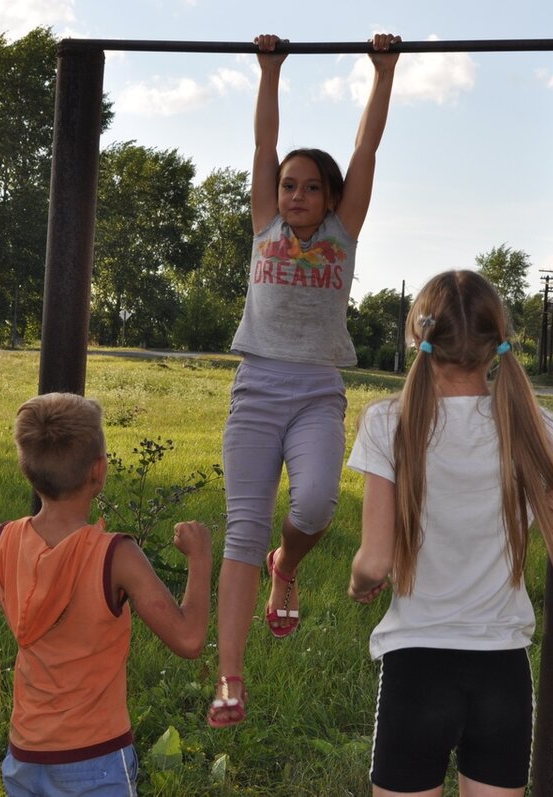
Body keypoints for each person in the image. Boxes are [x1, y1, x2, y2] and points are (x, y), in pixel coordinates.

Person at [346, 270, 553, 796]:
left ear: (418, 338)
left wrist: (360, 584)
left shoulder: (386, 423)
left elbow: (374, 562)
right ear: (498, 344)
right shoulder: (535, 427)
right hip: (502, 677)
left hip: (416, 668)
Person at [208, 31, 401, 729]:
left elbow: (365, 152)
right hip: (257, 388)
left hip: (318, 389)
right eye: (287, 185)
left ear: (329, 199)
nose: (293, 193)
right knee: (241, 527)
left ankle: (285, 565)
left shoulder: (342, 236)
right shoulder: (262, 225)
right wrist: (269, 71)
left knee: (316, 503)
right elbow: (264, 147)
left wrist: (383, 74)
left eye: (309, 187)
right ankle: (231, 675)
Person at [0, 393, 212, 796]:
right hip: (96, 758)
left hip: (25, 757)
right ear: (99, 471)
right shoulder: (116, 555)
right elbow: (189, 639)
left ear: (27, 472)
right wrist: (200, 559)